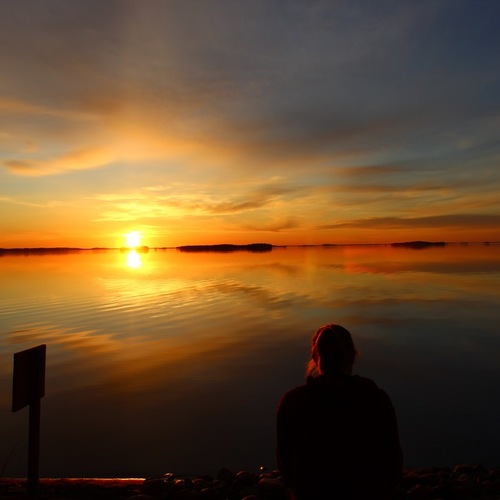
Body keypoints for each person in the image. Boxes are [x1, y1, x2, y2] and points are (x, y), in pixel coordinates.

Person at [276, 324, 403, 500]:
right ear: (352, 356)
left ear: (315, 356)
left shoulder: (292, 401)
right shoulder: (376, 398)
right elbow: (394, 464)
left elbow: (286, 468)